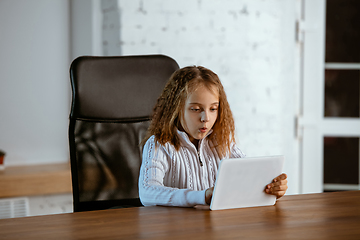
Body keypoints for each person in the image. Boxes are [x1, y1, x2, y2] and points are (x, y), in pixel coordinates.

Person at [138, 66, 288, 207]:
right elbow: (147, 192)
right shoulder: (158, 145)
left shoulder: (221, 142)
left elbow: (249, 177)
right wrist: (201, 196)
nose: (206, 118)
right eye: (196, 109)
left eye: (213, 109)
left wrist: (271, 187)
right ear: (176, 109)